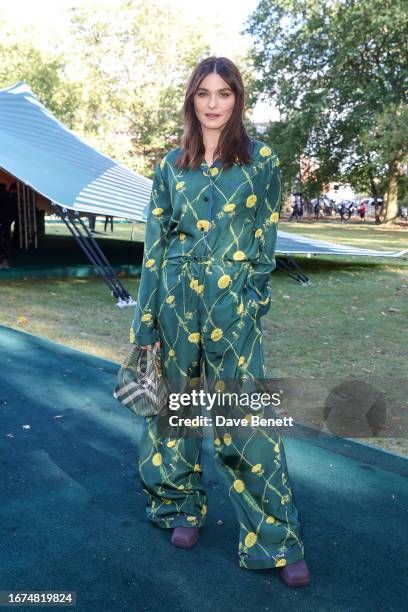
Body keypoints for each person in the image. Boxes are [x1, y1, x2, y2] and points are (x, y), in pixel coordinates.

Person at [129, 56, 310, 587]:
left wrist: (253, 303)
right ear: (192, 99)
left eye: (223, 94)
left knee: (247, 421)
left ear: (237, 99)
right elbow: (155, 248)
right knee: (174, 411)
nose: (212, 104)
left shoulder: (263, 160)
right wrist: (146, 322)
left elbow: (266, 240)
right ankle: (178, 507)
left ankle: (274, 538)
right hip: (175, 301)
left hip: (234, 310)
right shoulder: (170, 165)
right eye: (203, 93)